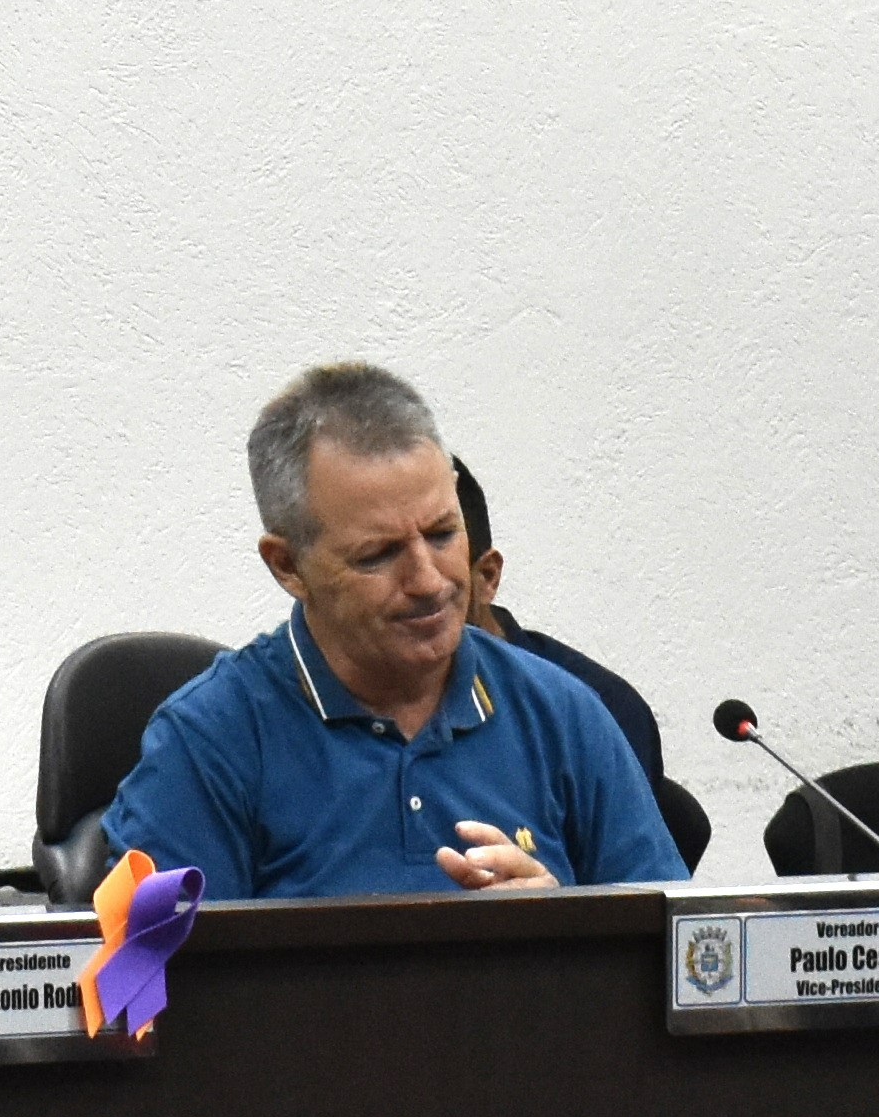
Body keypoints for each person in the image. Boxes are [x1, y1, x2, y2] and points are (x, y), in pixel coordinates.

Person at [103, 365, 685, 899]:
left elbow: (678, 954)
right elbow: (153, 975)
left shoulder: (563, 716)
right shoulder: (207, 743)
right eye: (378, 555)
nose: (429, 581)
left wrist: (567, 932)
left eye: (443, 534)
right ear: (287, 566)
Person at [449, 454, 665, 803]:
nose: (416, 586)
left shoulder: (595, 712)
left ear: (486, 576)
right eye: (376, 558)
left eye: (439, 545)